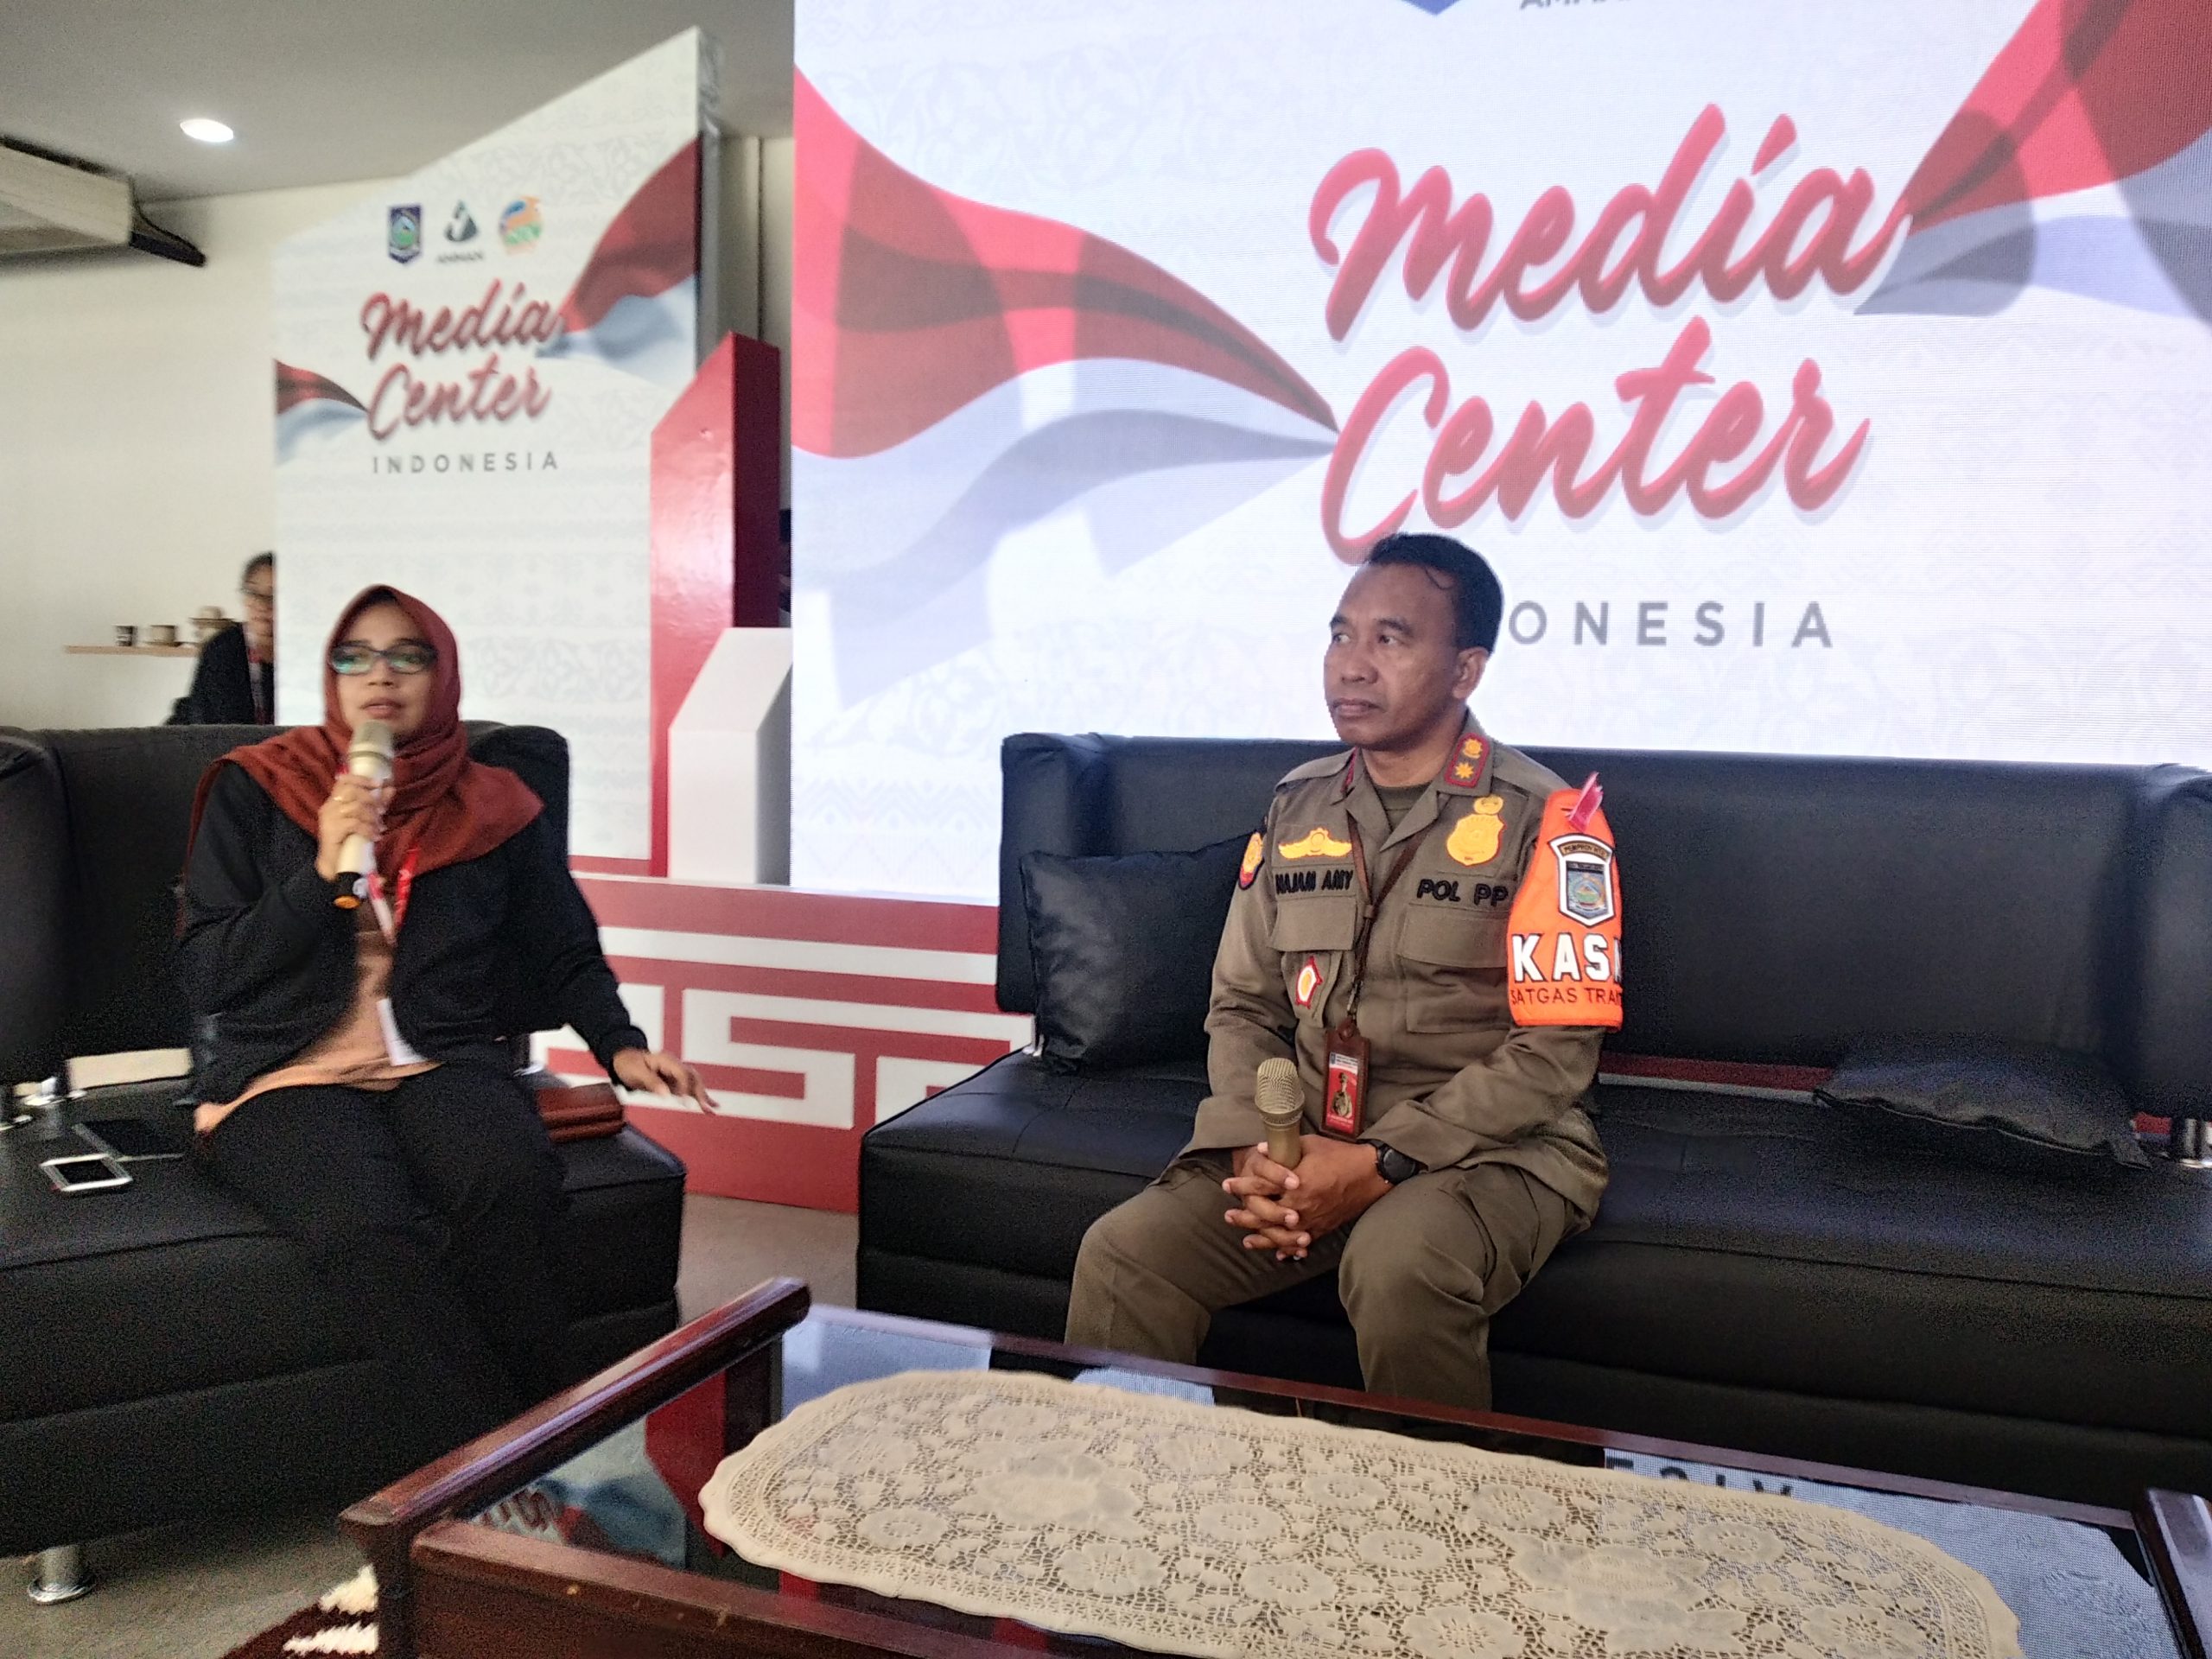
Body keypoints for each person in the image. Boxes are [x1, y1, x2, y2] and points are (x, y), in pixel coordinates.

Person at [1065, 532, 1619, 1410]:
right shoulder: (1299, 804)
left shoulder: (1546, 819)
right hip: (1308, 1140)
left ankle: (1434, 1499)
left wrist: (1380, 1162)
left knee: (1398, 1265)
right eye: (1340, 634)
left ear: (1466, 670)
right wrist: (1261, 1145)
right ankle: (1144, 1486)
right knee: (1126, 1254)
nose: (1351, 665)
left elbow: (1557, 1050)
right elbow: (1243, 1004)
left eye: (1389, 639)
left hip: (1489, 1149)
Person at [180, 584, 711, 1465]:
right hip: (285, 1066)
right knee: (369, 1227)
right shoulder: (259, 785)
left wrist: (621, 1046)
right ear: (329, 675)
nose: (379, 676)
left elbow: (563, 949)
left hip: (440, 1056)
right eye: (354, 656)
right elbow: (210, 972)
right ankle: (503, 1471)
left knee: (508, 1184)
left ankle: (559, 1440)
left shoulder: (497, 803)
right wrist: (322, 874)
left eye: (408, 655)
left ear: (444, 673)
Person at [169, 551, 276, 725]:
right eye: (252, 593)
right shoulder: (223, 649)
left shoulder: (307, 652)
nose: (261, 604)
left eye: (273, 596)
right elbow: (212, 728)